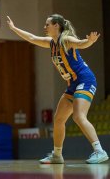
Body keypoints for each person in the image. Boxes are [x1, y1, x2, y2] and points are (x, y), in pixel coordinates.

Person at [6, 14, 108, 164]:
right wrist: (14, 28)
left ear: (56, 26)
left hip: (85, 80)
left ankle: (100, 151)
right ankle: (57, 155)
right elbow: (32, 38)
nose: (44, 27)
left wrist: (90, 41)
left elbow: (80, 43)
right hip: (72, 85)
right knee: (58, 120)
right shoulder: (51, 43)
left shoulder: (66, 40)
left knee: (79, 116)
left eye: (47, 24)